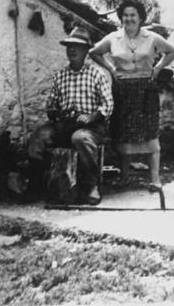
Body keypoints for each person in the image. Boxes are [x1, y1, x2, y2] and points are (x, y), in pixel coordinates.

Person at [89, 0, 174, 190]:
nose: (129, 19)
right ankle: (125, 177)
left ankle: (155, 179)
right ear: (121, 18)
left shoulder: (151, 37)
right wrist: (112, 68)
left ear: (140, 18)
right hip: (122, 89)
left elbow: (172, 51)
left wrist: (159, 67)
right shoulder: (113, 38)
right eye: (125, 15)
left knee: (150, 132)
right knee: (123, 133)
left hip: (146, 89)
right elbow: (94, 52)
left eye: (133, 15)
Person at [27, 27, 114, 205]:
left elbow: (108, 105)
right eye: (69, 47)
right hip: (65, 125)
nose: (72, 50)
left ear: (86, 51)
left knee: (80, 138)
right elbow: (52, 104)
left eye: (77, 47)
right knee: (39, 137)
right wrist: (54, 111)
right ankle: (36, 185)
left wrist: (91, 116)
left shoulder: (97, 74)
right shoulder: (61, 76)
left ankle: (91, 186)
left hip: (92, 126)